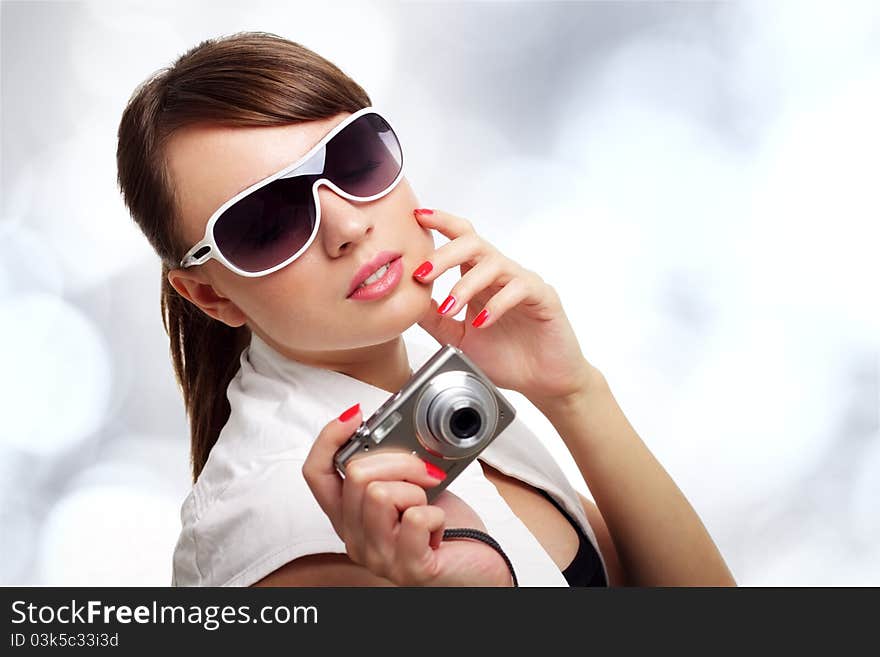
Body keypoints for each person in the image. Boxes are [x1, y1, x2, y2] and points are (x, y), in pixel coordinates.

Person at [116, 30, 736, 587]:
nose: (348, 225)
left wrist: (573, 393)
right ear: (211, 295)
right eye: (266, 223)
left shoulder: (433, 385)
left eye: (354, 158)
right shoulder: (279, 526)